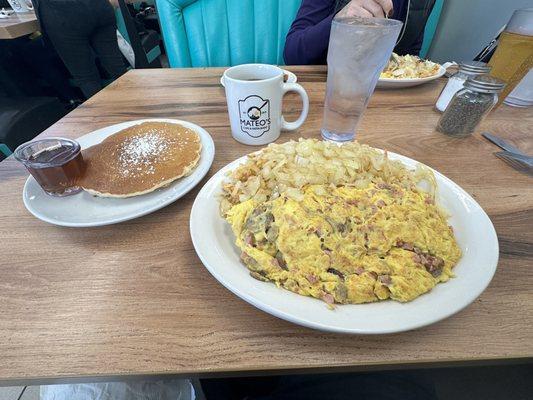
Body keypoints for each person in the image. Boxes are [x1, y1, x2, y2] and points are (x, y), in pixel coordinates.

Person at [284, 0, 436, 65]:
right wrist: (339, 20)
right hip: (329, 95)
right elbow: (292, 53)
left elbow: (411, 54)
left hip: (391, 106)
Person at [33, 0, 128, 99]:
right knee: (117, 67)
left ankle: (106, 112)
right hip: (100, 6)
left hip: (62, 15)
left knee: (87, 78)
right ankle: (139, 105)